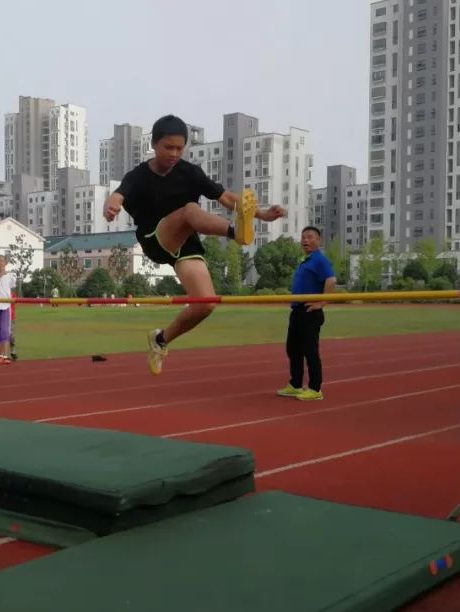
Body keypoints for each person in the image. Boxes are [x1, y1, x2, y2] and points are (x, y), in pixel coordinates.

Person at [103, 114, 286, 375]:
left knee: (206, 303)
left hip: (185, 242)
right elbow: (118, 194)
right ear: (154, 145)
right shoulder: (139, 176)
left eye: (180, 148)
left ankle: (160, 340)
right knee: (190, 209)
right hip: (155, 239)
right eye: (169, 147)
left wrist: (263, 214)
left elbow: (226, 198)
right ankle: (236, 232)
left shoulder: (190, 172)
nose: (175, 153)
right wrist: (111, 206)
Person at [278, 227, 336, 401]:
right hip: (297, 311)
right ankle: (296, 384)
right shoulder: (305, 261)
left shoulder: (320, 260)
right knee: (293, 349)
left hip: (309, 311)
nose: (305, 240)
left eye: (310, 237)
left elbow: (331, 280)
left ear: (319, 241)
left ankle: (315, 388)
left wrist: (322, 302)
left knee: (310, 351)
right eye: (303, 237)